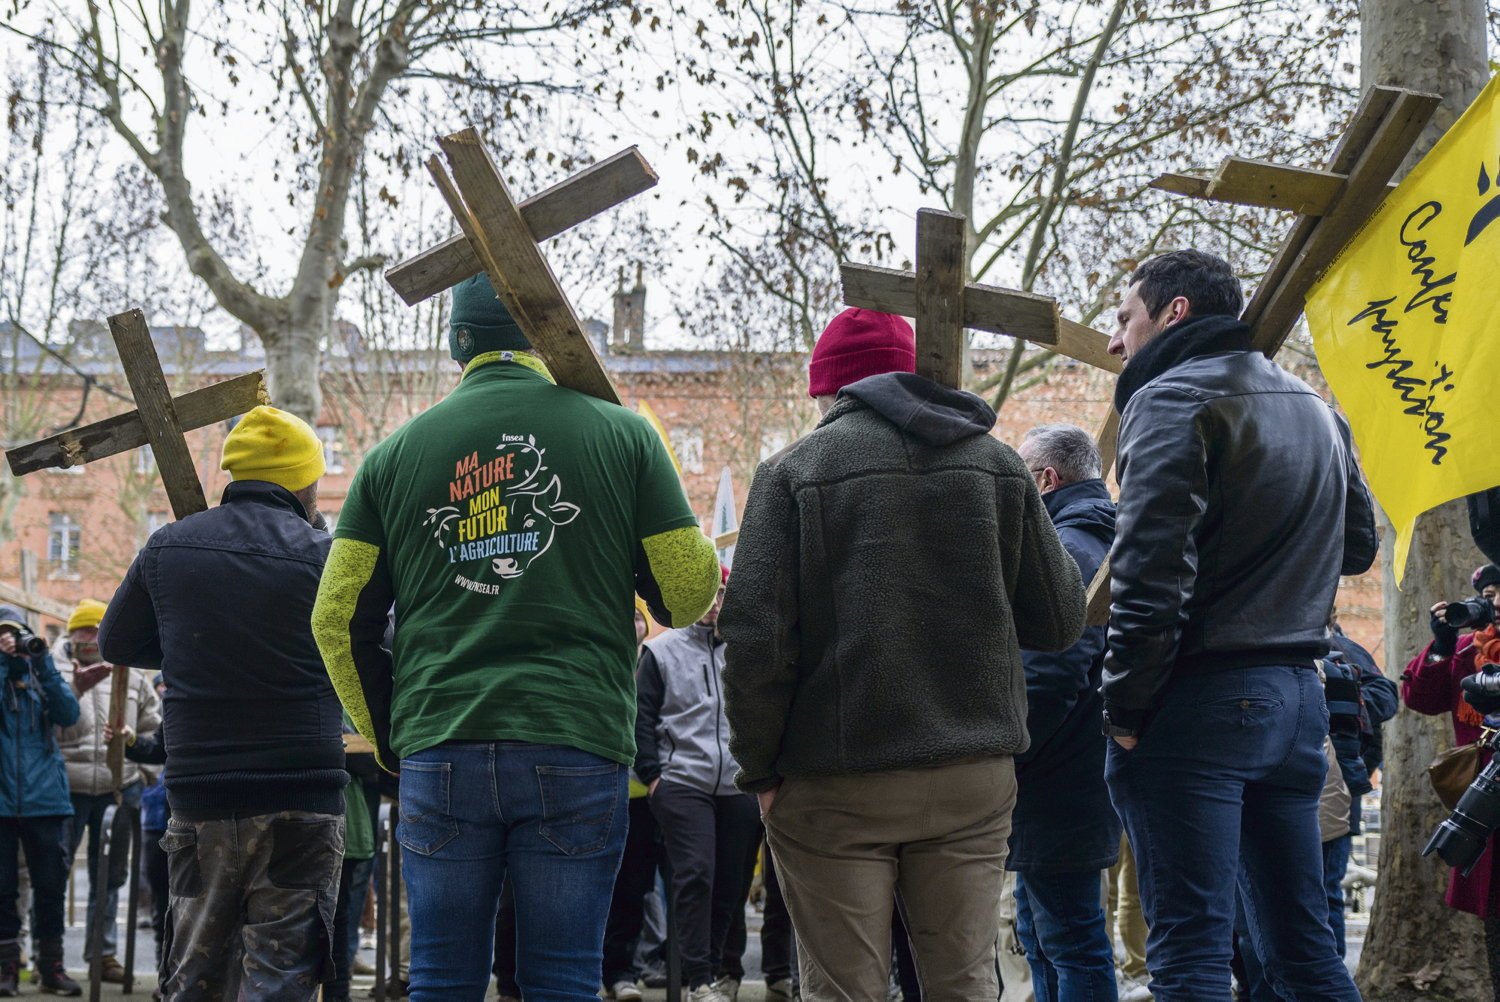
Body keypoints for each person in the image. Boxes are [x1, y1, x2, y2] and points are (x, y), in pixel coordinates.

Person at [311, 274, 720, 1002]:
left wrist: (387, 734)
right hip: (576, 738)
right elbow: (689, 592)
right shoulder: (626, 435)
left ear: (457, 343)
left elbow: (336, 616)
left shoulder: (389, 458)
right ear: (541, 334)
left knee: (440, 978)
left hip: (440, 742)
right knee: (564, 977)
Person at [720, 307, 1086, 999]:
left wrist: (759, 769)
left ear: (832, 391)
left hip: (833, 780)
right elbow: (1063, 619)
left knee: (843, 987)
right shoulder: (1000, 466)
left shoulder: (794, 471)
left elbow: (756, 645)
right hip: (971, 775)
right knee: (965, 983)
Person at [1100, 249, 1378, 1002]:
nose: (1115, 341)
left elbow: (1151, 570)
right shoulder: (1317, 408)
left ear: (1174, 312)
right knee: (1302, 949)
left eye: (1124, 318)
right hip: (1298, 701)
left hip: (1202, 701)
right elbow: (1358, 546)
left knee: (1188, 954)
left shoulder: (1168, 400)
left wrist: (1124, 708)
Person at [99, 405, 347, 1001]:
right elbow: (366, 650)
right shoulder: (324, 556)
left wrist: (194, 648)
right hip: (299, 793)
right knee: (283, 976)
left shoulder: (168, 547)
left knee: (196, 974)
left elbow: (118, 641)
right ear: (304, 481)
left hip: (201, 793)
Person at [1009, 425, 1121, 1002]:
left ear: (1046, 480)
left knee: (1070, 940)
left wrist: (1010, 754)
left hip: (1055, 783)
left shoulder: (1067, 551)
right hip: (1077, 778)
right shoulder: (1108, 541)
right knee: (1045, 935)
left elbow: (1049, 671)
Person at [636, 567, 761, 1002]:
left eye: (722, 593)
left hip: (737, 784)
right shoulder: (660, 652)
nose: (714, 604)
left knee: (732, 884)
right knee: (696, 874)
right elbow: (641, 720)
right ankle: (698, 980)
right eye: (706, 595)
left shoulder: (746, 652)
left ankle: (716, 972)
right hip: (681, 782)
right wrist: (654, 779)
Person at [1401, 562, 1500, 998]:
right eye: (1490, 593)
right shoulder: (1466, 651)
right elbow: (1421, 698)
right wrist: (1440, 646)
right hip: (1487, 809)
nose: (1495, 602)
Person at [53, 598, 161, 984]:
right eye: (84, 630)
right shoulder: (53, 669)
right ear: (71, 634)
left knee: (111, 876)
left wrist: (143, 768)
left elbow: (155, 726)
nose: (92, 637)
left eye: (98, 629)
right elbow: (45, 727)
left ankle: (104, 955)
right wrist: (72, 690)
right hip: (68, 788)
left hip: (120, 786)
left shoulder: (130, 674)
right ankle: (50, 959)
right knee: (54, 872)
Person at [0, 608, 82, 996]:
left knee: (50, 889)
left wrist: (42, 662)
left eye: (16, 636)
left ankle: (51, 967)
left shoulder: (41, 676)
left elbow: (70, 714)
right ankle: (6, 970)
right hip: (1, 804)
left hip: (47, 802)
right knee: (1, 891)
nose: (12, 644)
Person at [602, 599, 664, 1002]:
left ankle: (621, 972)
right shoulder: (597, 661)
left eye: (639, 617)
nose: (634, 624)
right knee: (588, 889)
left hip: (640, 799)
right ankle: (588, 970)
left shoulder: (654, 665)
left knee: (633, 890)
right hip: (593, 794)